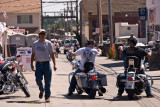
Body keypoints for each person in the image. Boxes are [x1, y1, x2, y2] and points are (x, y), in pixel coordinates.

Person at [31, 29, 57, 103]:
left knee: (48, 82)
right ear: (39, 35)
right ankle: (42, 90)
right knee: (38, 79)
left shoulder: (49, 43)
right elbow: (32, 55)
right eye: (41, 34)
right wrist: (31, 64)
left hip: (47, 64)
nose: (42, 35)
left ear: (45, 35)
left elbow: (52, 54)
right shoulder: (35, 44)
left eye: (44, 34)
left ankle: (47, 97)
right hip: (38, 64)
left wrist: (55, 64)